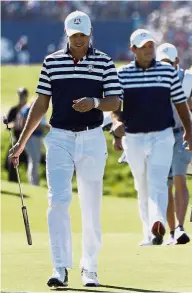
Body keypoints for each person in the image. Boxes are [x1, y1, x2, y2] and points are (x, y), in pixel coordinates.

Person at [8, 11, 122, 288]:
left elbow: (115, 101)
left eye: (83, 35)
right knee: (57, 202)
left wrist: (94, 102)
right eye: (74, 35)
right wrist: (22, 142)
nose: (79, 40)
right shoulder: (52, 62)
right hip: (59, 137)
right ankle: (60, 267)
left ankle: (90, 268)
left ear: (90, 33)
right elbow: (41, 103)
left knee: (90, 205)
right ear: (67, 34)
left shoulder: (104, 62)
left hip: (92, 138)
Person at [112, 29, 192, 246]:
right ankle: (148, 233)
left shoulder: (167, 71)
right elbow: (114, 106)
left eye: (151, 46)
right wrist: (116, 126)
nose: (148, 50)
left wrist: (188, 130)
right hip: (134, 137)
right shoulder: (123, 74)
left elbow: (181, 103)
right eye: (143, 46)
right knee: (142, 184)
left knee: (157, 180)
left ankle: (157, 223)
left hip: (162, 135)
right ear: (133, 50)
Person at [156, 43, 192, 245]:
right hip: (160, 137)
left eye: (168, 64)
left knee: (180, 178)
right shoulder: (153, 79)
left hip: (182, 134)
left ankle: (180, 227)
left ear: (176, 62)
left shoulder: (188, 80)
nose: (164, 68)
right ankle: (171, 231)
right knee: (166, 185)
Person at [20, 98, 49, 186]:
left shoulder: (42, 110)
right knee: (34, 159)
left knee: (35, 160)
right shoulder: (28, 110)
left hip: (38, 137)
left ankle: (34, 182)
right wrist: (43, 127)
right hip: (30, 138)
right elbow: (25, 125)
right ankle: (33, 182)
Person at [4, 87, 29, 182]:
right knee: (10, 160)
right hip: (15, 139)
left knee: (29, 162)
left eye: (22, 95)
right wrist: (13, 124)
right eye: (19, 95)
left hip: (27, 140)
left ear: (26, 96)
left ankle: (30, 183)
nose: (21, 97)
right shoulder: (14, 110)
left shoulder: (29, 109)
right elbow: (8, 125)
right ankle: (12, 181)